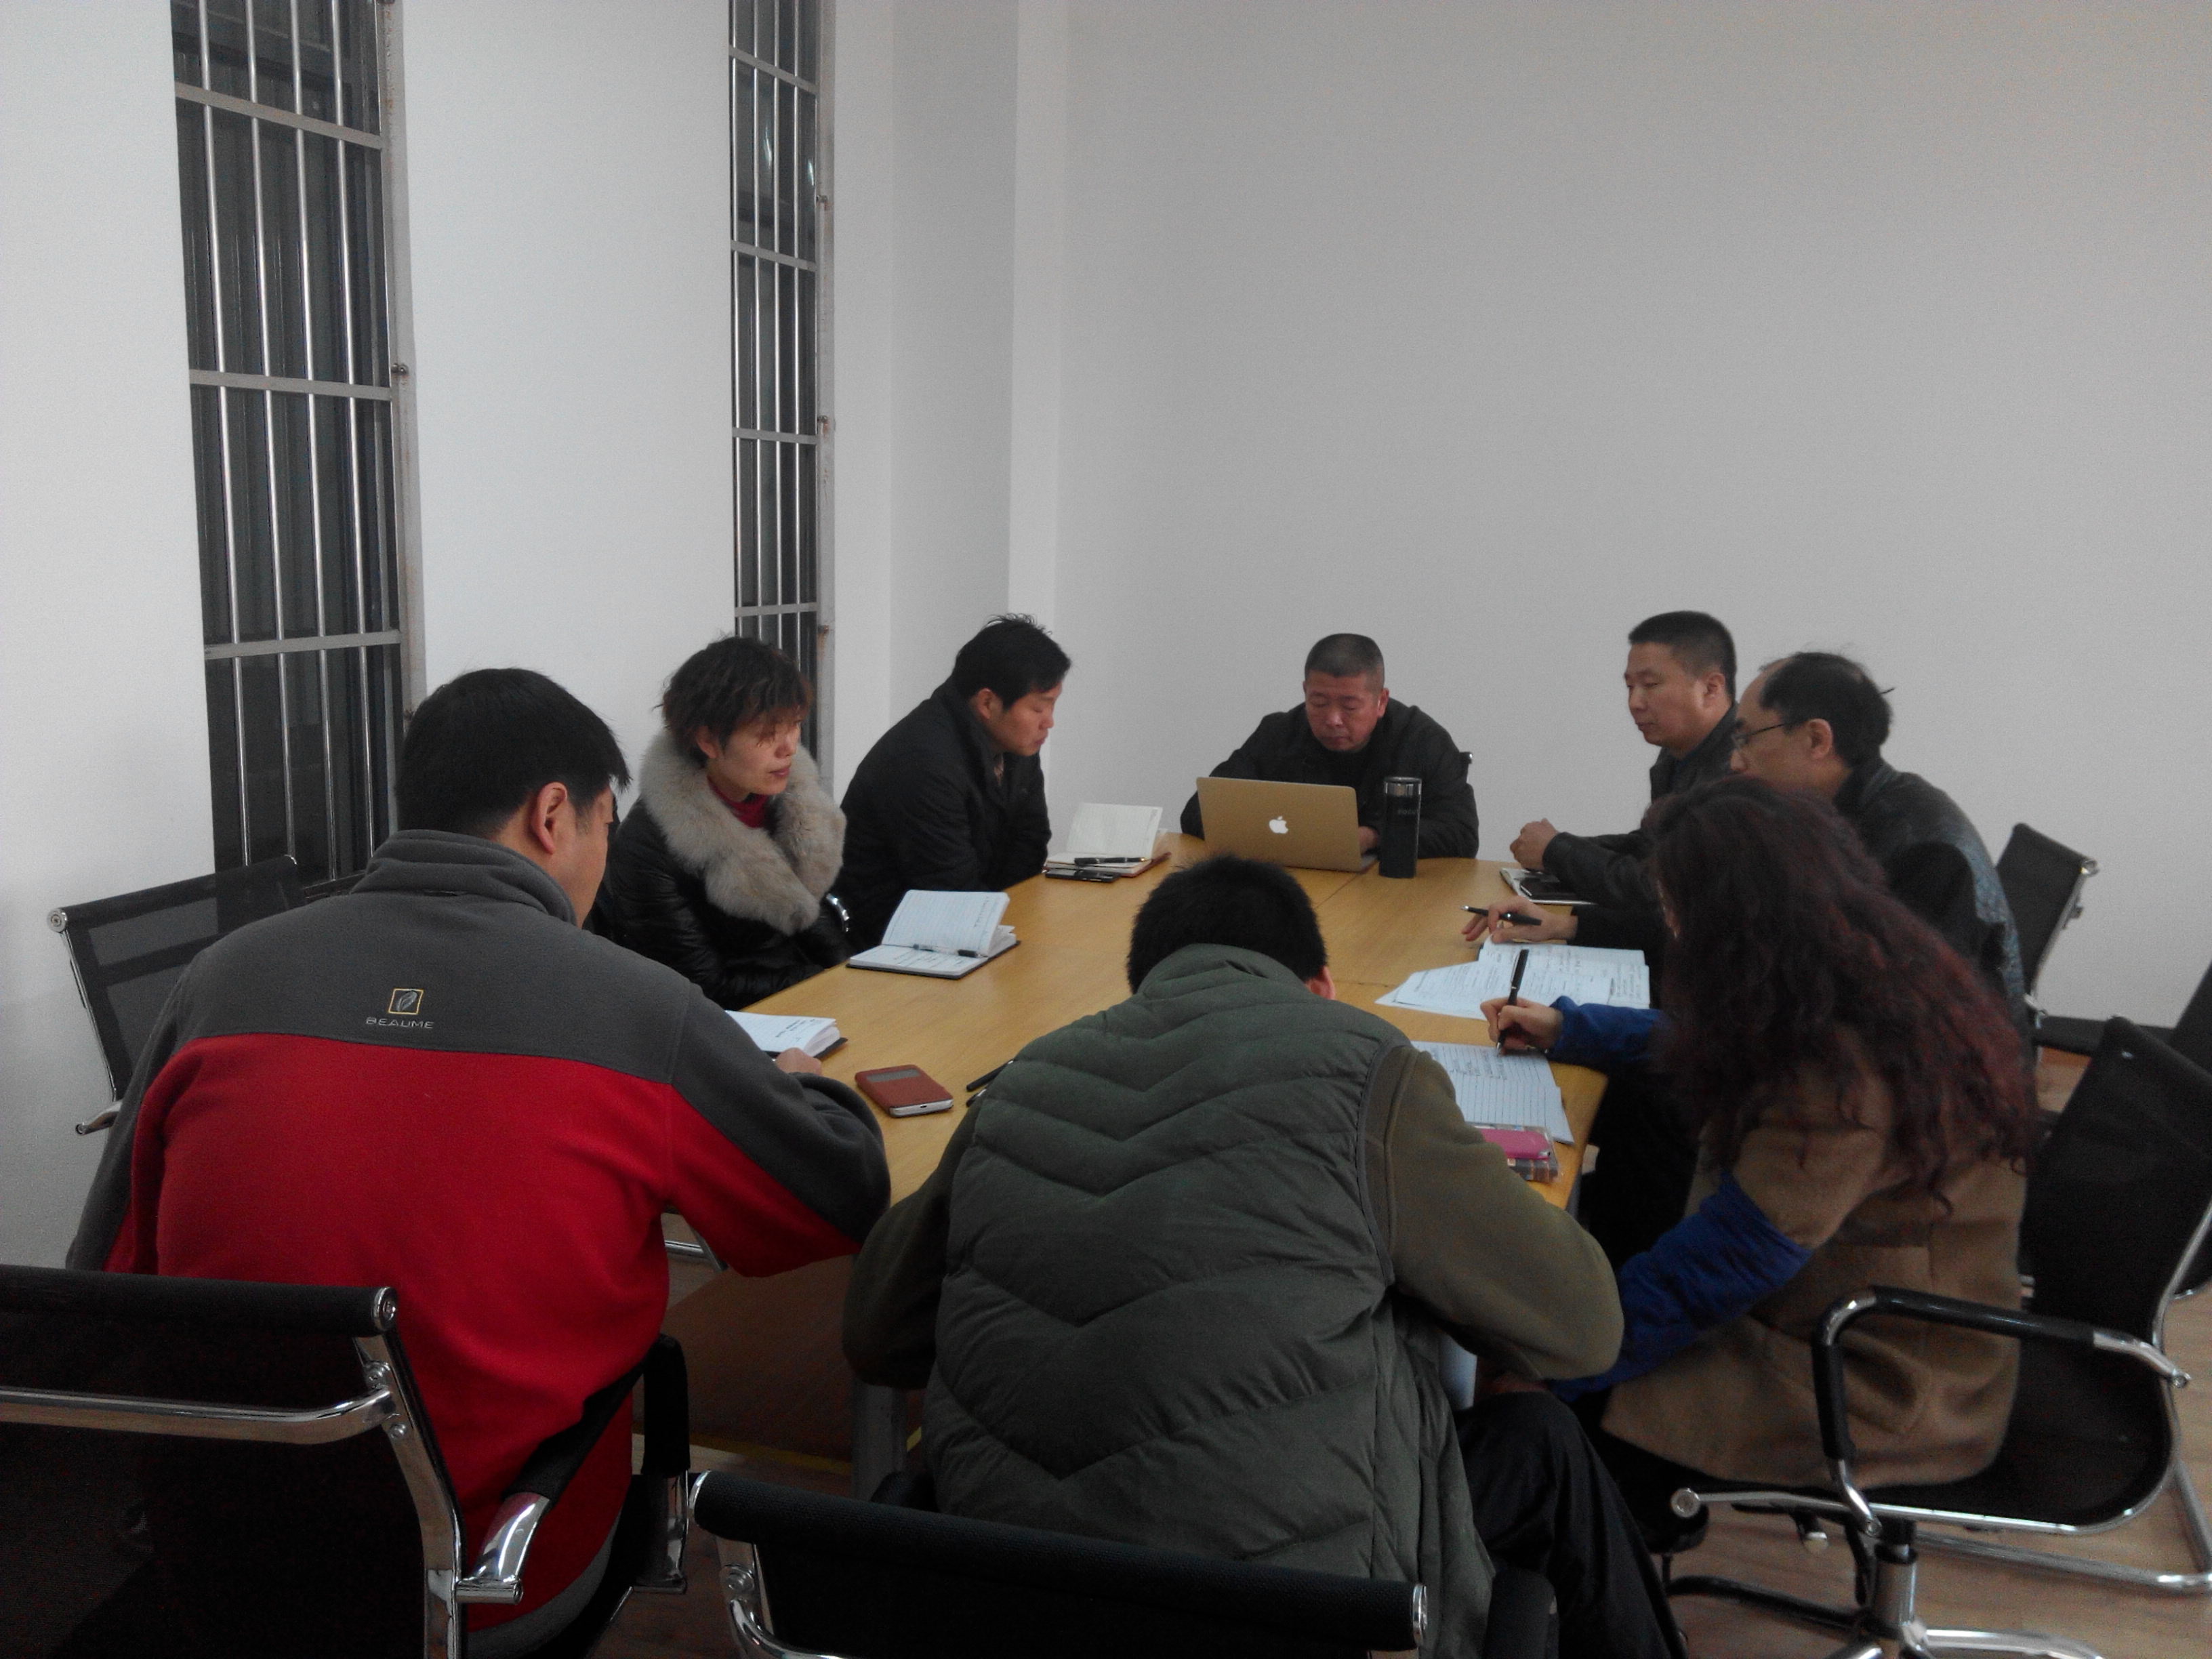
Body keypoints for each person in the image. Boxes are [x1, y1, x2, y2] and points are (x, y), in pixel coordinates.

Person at [68, 668, 890, 1656]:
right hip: (487, 1574)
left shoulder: (222, 977)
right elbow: (836, 1199)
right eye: (603, 825)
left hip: (219, 1561)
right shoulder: (637, 1008)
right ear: (553, 815)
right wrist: (808, 1091)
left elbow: (102, 1275)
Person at [844, 855, 1681, 1659]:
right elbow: (1585, 1329)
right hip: (1299, 1619)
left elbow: (877, 1336)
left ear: (1143, 984)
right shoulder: (1370, 1069)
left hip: (1011, 1612)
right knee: (1539, 1438)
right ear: (1320, 987)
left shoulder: (1022, 1082)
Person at [1483, 778, 2035, 1539]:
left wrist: (1558, 1361)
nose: (1672, 928)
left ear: (1735, 923)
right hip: (1829, 1303)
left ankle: (1613, 1561)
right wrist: (1575, 1029)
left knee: (1533, 1422)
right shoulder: (1853, 971)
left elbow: (1727, 1263)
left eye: (1678, 910)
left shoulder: (1842, 1073)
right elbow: (1718, 1046)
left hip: (1875, 1374)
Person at [1479, 651, 2026, 1036]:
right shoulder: (1825, 820)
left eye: (1747, 739)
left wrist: (1589, 1028)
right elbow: (1726, 931)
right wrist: (1571, 925)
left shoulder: (1919, 852)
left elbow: (1856, 1034)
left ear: (1816, 739)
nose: (1735, 761)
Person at [598, 635, 847, 1008]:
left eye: (794, 724)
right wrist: (820, 982)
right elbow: (701, 987)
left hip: (797, 995)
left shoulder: (783, 798)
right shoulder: (652, 845)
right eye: (767, 733)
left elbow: (806, 912)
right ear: (709, 741)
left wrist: (853, 973)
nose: (789, 747)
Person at [835, 615, 1067, 948]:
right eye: (1038, 709)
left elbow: (1030, 841)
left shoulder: (1014, 743)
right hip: (886, 943)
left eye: (1052, 706)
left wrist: (1013, 915)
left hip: (968, 924)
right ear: (987, 703)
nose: (1049, 722)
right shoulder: (922, 760)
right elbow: (949, 888)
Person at [1502, 611, 1737, 930]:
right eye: (1629, 687)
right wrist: (1558, 848)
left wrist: (1557, 851)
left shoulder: (1738, 771)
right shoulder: (1677, 754)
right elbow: (1650, 845)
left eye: (1650, 685)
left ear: (1711, 688)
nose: (1635, 703)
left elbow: (1659, 890)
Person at [1180, 633, 1478, 857]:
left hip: (1389, 888)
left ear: (1381, 701)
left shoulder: (1421, 740)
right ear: (1305, 692)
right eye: (1319, 702)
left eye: (1350, 706)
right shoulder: (1279, 733)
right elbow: (1197, 810)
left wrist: (1373, 837)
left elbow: (1462, 834)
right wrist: (1260, 832)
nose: (1333, 720)